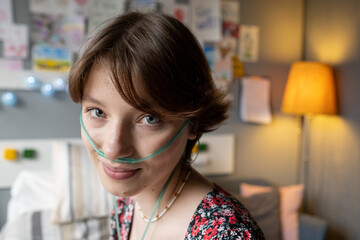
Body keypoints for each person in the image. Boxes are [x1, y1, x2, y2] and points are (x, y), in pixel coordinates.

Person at [68, 11, 264, 240]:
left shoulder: (229, 235)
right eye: (98, 112)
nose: (113, 149)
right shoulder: (128, 202)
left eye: (149, 119)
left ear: (193, 122)